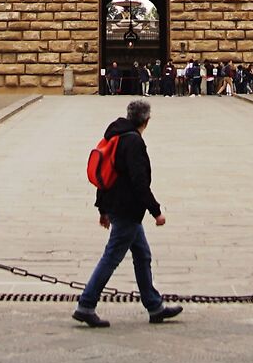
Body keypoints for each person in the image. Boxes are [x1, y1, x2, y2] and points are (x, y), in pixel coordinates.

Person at [73, 99, 183, 328]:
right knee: (112, 257)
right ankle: (86, 305)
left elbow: (105, 176)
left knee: (142, 256)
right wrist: (156, 211)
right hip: (127, 209)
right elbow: (138, 182)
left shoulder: (115, 135)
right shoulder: (133, 141)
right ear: (146, 120)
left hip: (119, 207)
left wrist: (103, 209)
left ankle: (154, 307)